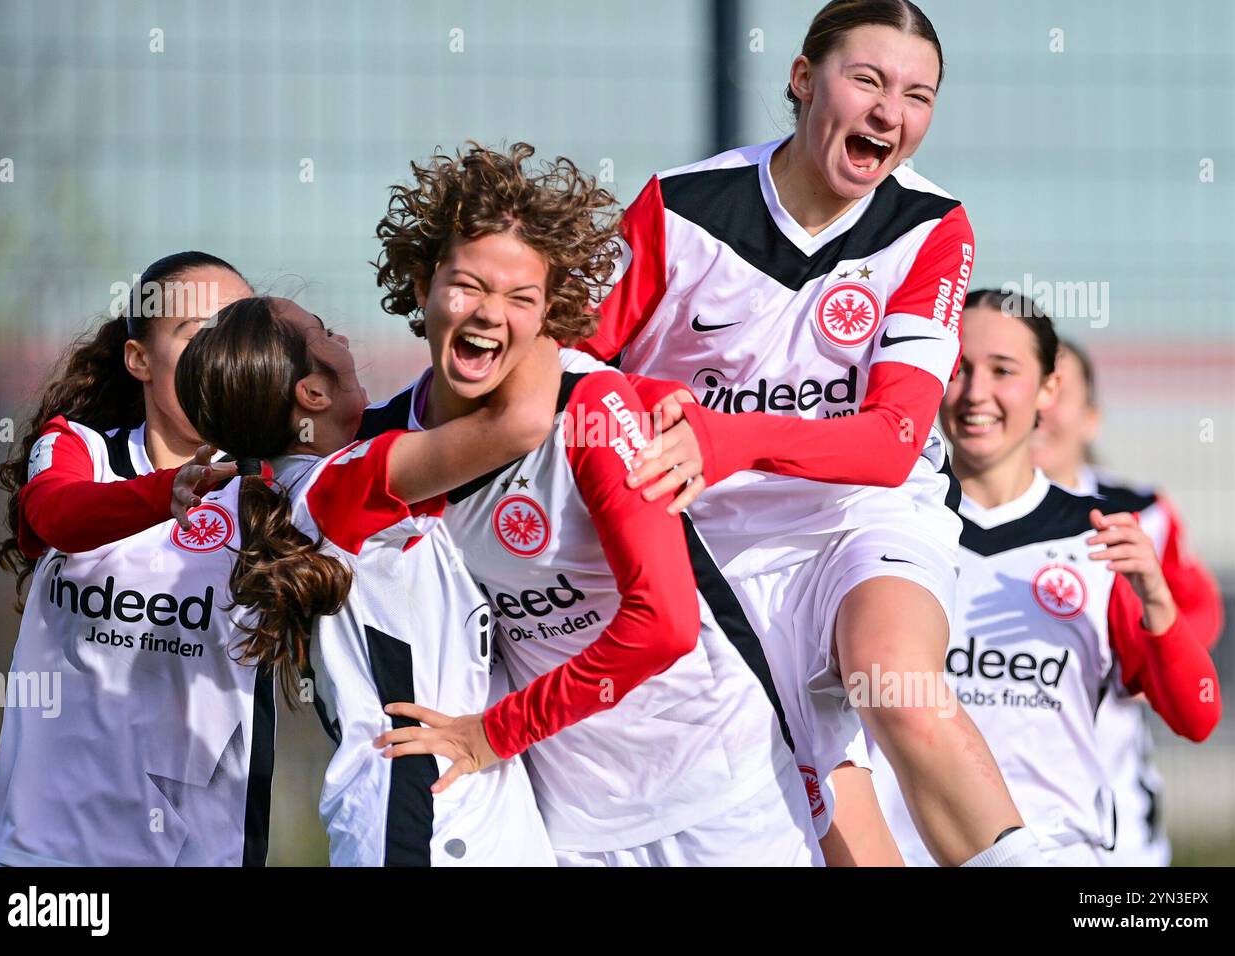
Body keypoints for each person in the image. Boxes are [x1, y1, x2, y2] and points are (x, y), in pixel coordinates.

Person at [579, 0, 1030, 865]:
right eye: (867, 79)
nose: (891, 112)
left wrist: (729, 440)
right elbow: (571, 374)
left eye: (918, 95)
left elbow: (894, 438)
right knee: (820, 813)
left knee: (890, 672)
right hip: (711, 553)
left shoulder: (929, 226)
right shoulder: (679, 207)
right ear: (800, 78)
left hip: (861, 515)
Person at [362, 142, 821, 866]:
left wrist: (490, 734)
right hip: (572, 815)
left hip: (720, 787)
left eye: (521, 298)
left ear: (549, 313)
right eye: (468, 286)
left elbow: (663, 625)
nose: (490, 316)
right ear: (422, 283)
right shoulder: (383, 444)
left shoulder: (594, 407)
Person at [173, 295, 560, 866]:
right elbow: (521, 422)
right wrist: (538, 301)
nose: (347, 342)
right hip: (420, 814)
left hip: (458, 803)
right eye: (325, 331)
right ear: (312, 394)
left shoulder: (305, 486)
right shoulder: (342, 486)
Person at [868, 290, 1222, 864]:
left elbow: (1196, 715)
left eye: (1003, 370)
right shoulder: (880, 519)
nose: (976, 392)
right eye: (959, 370)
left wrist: (1156, 598)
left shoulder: (1098, 536)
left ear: (1047, 390)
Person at [0, 252, 269, 866]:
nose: (220, 354)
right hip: (39, 859)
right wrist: (169, 491)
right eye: (195, 335)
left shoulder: (276, 488)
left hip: (199, 856)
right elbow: (59, 516)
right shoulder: (73, 446)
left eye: (237, 334)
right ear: (139, 360)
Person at [1032, 336, 1224, 865]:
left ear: (1091, 417)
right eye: (1030, 387)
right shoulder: (938, 511)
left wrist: (1155, 655)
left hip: (1108, 825)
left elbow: (1200, 609)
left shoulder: (1140, 513)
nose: (1040, 410)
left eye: (1058, 392)